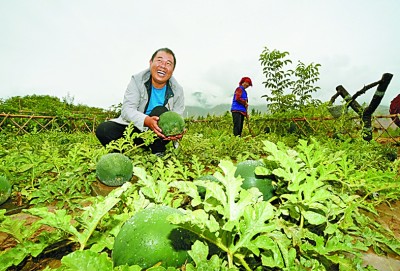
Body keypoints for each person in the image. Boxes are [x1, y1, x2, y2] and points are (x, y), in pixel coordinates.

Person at [95, 48, 185, 156]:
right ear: (150, 63)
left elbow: (178, 117)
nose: (163, 66)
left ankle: (158, 151)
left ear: (173, 70)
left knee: (160, 111)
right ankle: (123, 155)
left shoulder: (178, 90)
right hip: (134, 128)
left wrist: (178, 131)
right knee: (103, 130)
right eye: (159, 60)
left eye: (168, 63)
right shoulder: (137, 80)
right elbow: (127, 110)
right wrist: (146, 120)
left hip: (157, 135)